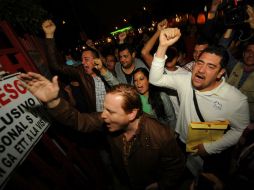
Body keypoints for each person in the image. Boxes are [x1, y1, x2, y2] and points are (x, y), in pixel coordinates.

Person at [18, 72, 185, 190]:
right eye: (104, 109)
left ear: (132, 114)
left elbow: (176, 168)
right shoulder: (107, 121)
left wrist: (161, 185)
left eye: (110, 112)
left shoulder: (162, 135)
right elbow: (79, 120)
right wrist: (53, 102)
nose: (103, 116)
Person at [149, 28, 250, 177]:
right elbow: (155, 79)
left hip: (209, 150)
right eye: (200, 63)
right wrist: (163, 46)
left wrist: (210, 148)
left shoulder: (235, 99)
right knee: (182, 172)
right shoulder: (184, 80)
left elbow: (240, 130)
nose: (201, 70)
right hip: (182, 141)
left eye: (211, 66)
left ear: (221, 73)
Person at [42, 19, 109, 112]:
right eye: (82, 60)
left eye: (86, 59)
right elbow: (56, 66)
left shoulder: (105, 72)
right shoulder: (80, 72)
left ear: (96, 60)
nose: (83, 62)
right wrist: (49, 36)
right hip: (97, 119)